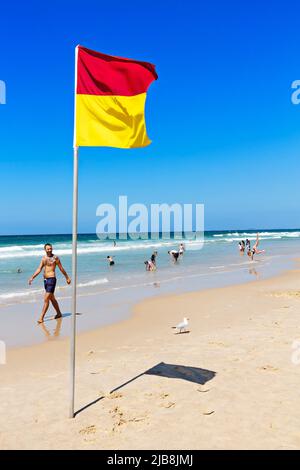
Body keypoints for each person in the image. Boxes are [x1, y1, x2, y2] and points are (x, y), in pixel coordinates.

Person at [28, 243, 71, 324]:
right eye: (48, 249)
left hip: (52, 279)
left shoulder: (55, 258)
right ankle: (59, 313)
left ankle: (41, 317)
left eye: (51, 248)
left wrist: (67, 277)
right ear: (45, 250)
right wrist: (32, 277)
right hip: (45, 280)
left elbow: (61, 268)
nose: (50, 250)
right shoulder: (44, 258)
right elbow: (39, 269)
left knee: (46, 298)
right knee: (52, 298)